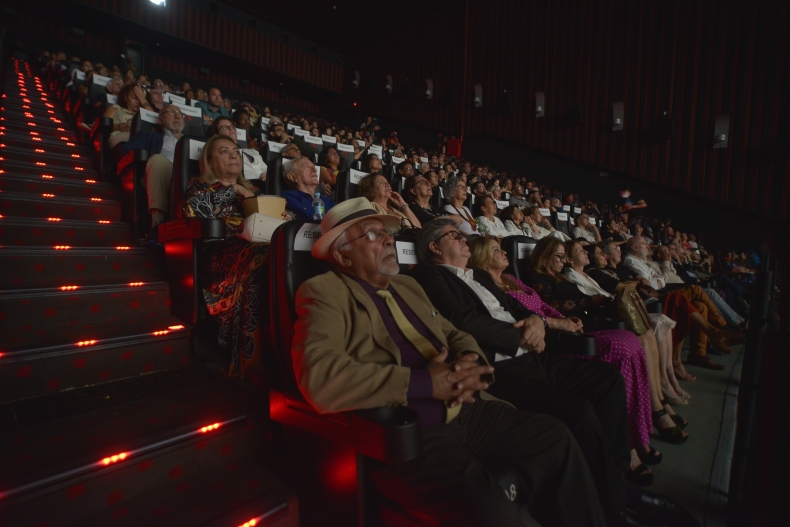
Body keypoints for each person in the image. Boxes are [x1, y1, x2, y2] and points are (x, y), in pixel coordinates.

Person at [294, 198, 607, 526]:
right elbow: (319, 377)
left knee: (555, 437)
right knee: (492, 511)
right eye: (372, 234)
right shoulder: (323, 291)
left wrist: (469, 362)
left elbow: (455, 333)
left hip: (468, 409)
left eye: (387, 232)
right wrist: (429, 383)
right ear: (343, 255)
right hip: (413, 430)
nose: (389, 239)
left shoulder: (407, 284)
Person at [409, 219, 698, 527]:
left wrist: (535, 322)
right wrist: (520, 336)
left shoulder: (479, 274)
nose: (464, 238)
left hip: (533, 354)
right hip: (501, 365)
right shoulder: (430, 275)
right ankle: (615, 509)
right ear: (434, 246)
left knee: (607, 380)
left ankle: (615, 483)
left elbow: (513, 305)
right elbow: (463, 320)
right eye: (455, 235)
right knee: (577, 412)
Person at [467, 236, 660, 484]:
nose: (504, 252)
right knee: (623, 347)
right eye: (496, 250)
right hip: (550, 340)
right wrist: (560, 322)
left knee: (633, 344)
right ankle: (626, 454)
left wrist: (563, 320)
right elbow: (524, 319)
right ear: (481, 257)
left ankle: (641, 429)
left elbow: (540, 311)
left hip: (563, 326)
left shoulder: (511, 279)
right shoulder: (492, 286)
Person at [525, 237, 689, 445]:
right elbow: (552, 305)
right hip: (576, 332)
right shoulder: (539, 279)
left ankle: (659, 401)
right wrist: (590, 301)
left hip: (593, 320)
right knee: (638, 337)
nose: (563, 261)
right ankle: (656, 409)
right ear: (544, 256)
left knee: (647, 335)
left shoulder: (560, 278)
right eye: (559, 256)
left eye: (565, 256)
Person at [179, 135, 270, 377]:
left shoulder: (255, 190)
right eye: (224, 151)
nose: (233, 155)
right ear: (209, 160)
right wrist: (233, 191)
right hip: (219, 254)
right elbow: (193, 210)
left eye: (235, 151)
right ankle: (249, 358)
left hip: (255, 245)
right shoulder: (199, 186)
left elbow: (277, 214)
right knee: (261, 257)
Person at [117, 104, 184, 227]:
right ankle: (157, 225)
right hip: (163, 175)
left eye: (180, 114)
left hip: (188, 179)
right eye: (170, 112)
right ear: (159, 120)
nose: (177, 116)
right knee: (158, 160)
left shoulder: (193, 141)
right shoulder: (148, 136)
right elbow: (124, 152)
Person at [206, 117, 267, 183]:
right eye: (225, 127)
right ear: (216, 135)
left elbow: (267, 170)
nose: (231, 128)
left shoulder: (253, 152)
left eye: (232, 126)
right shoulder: (219, 156)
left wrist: (268, 176)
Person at [356, 174, 421, 229]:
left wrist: (403, 205)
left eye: (387, 182)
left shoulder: (394, 210)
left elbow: (418, 228)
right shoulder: (370, 207)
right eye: (381, 182)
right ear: (371, 190)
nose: (387, 184)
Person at [104, 82, 151, 147]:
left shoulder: (144, 114)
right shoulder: (115, 108)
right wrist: (121, 126)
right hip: (119, 137)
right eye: (134, 97)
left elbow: (153, 119)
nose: (138, 102)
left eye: (140, 99)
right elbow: (104, 126)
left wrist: (143, 99)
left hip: (140, 139)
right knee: (143, 136)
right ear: (126, 97)